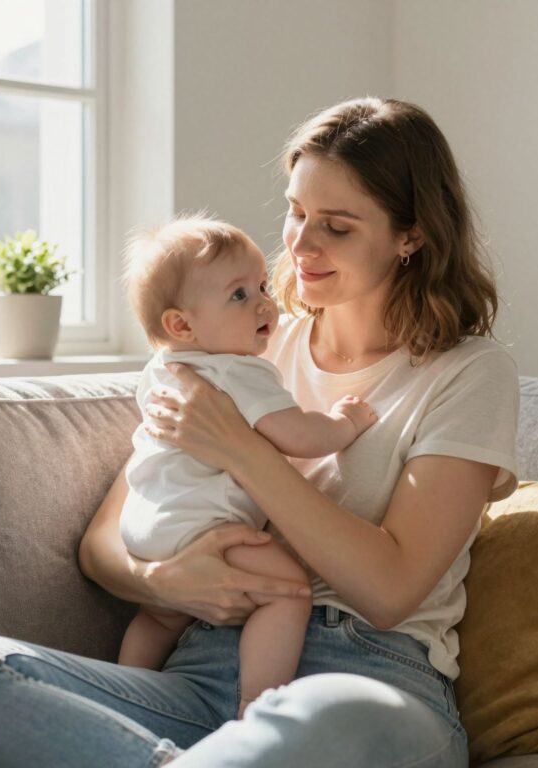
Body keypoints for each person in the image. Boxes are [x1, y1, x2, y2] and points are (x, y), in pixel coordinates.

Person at [0, 96, 519, 768]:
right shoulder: (237, 340)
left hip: (364, 680)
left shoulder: (469, 373)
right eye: (296, 212)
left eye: (335, 226)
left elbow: (390, 592)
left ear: (411, 235)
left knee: (340, 717)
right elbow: (104, 542)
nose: (299, 245)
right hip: (200, 678)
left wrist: (242, 450)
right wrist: (162, 581)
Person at [118, 215, 377, 718]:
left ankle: (128, 696)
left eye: (261, 285)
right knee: (288, 593)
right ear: (181, 324)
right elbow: (298, 437)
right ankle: (257, 711)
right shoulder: (239, 370)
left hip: (145, 528)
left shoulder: (162, 369)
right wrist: (345, 425)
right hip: (202, 527)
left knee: (157, 618)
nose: (264, 302)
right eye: (238, 295)